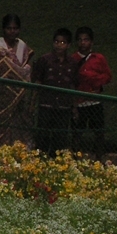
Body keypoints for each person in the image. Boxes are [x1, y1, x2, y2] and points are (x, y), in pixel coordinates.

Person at [0, 14, 35, 146]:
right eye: (9, 28)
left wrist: (25, 71)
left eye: (15, 28)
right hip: (0, 96)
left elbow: (26, 66)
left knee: (20, 127)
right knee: (0, 128)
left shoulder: (23, 45)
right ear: (3, 29)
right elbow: (4, 68)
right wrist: (23, 72)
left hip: (18, 97)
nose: (12, 31)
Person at [31, 28, 78, 157]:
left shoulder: (72, 63)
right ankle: (40, 159)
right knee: (42, 135)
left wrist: (74, 107)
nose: (59, 45)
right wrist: (33, 103)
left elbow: (73, 85)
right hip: (46, 104)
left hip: (63, 106)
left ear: (68, 45)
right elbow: (38, 81)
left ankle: (56, 162)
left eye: (62, 43)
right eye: (57, 42)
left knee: (60, 137)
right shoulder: (45, 60)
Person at [71, 26, 112, 160]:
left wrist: (92, 80)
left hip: (95, 101)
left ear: (91, 42)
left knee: (99, 132)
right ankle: (76, 159)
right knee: (77, 133)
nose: (83, 43)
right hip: (79, 102)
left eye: (86, 40)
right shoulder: (73, 59)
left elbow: (107, 76)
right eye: (80, 40)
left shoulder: (98, 58)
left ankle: (99, 159)